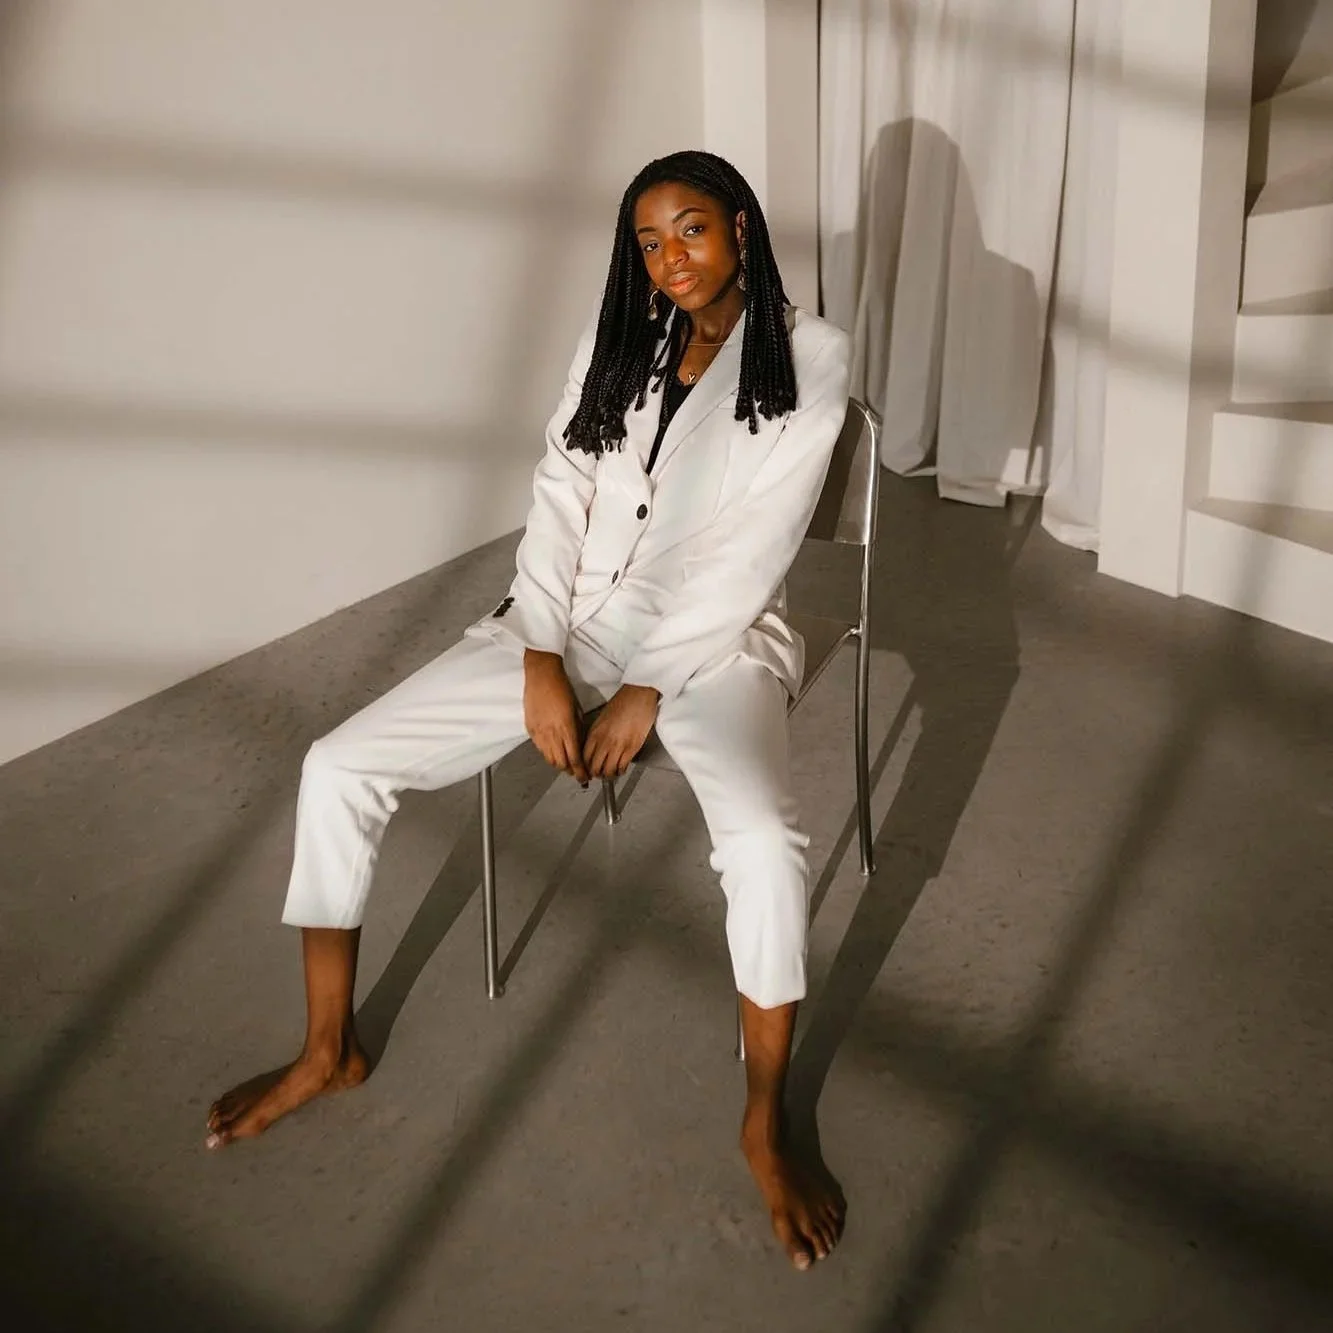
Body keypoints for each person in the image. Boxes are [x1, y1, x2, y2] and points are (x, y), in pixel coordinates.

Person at [207, 150, 852, 1271]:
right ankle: (326, 1048)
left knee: (762, 840)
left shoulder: (810, 355)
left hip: (716, 644)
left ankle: (762, 1116)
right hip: (570, 621)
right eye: (648, 241)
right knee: (336, 764)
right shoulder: (617, 340)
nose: (670, 257)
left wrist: (648, 684)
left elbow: (760, 544)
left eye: (692, 229)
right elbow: (560, 493)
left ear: (741, 228)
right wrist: (543, 653)